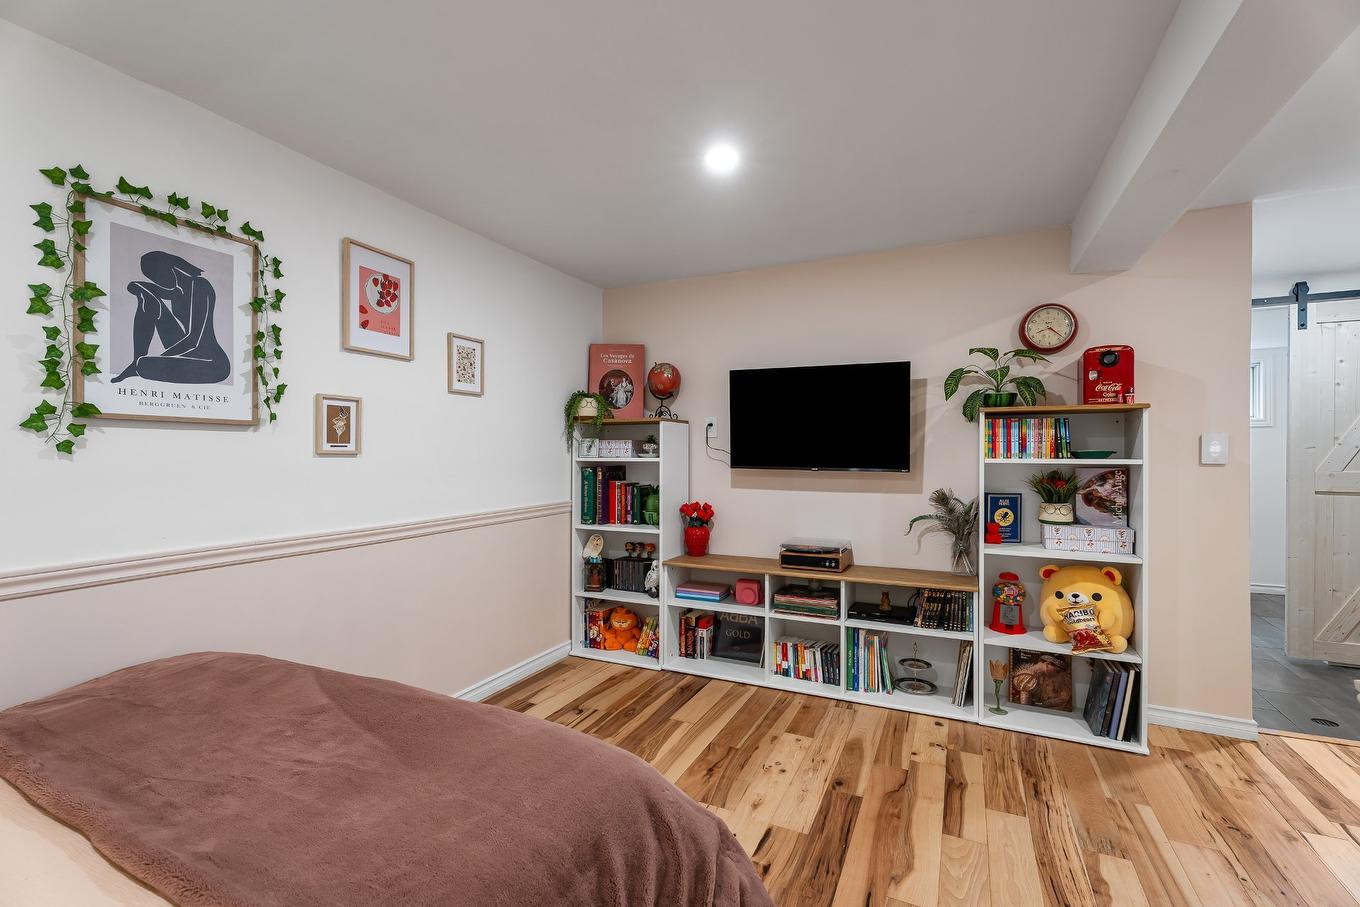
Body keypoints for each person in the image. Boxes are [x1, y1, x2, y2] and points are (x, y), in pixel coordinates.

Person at [111, 250, 230, 385]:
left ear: (169, 268)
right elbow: (153, 293)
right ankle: (136, 361)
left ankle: (139, 365)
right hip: (189, 353)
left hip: (212, 362)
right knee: (147, 298)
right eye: (153, 278)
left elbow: (193, 340)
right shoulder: (177, 292)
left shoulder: (200, 285)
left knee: (145, 365)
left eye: (157, 276)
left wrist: (160, 358)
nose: (157, 281)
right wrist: (139, 287)